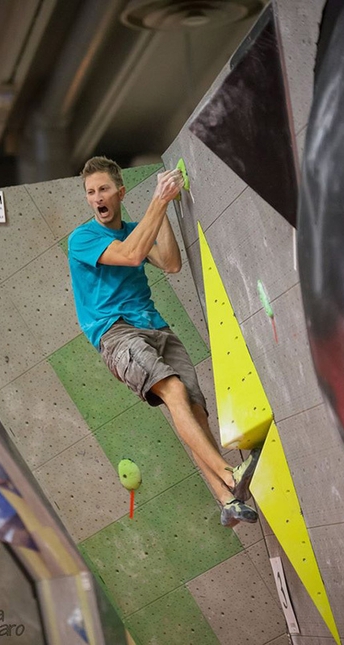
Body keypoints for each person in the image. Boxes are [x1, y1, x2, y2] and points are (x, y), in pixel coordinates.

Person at [68, 156, 260, 527]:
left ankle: (227, 501)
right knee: (172, 392)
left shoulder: (138, 227)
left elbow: (171, 263)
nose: (97, 198)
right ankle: (230, 475)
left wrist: (166, 205)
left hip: (157, 328)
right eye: (90, 192)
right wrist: (158, 199)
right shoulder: (83, 238)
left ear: (120, 192)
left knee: (193, 407)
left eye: (103, 189)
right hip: (117, 334)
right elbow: (130, 254)